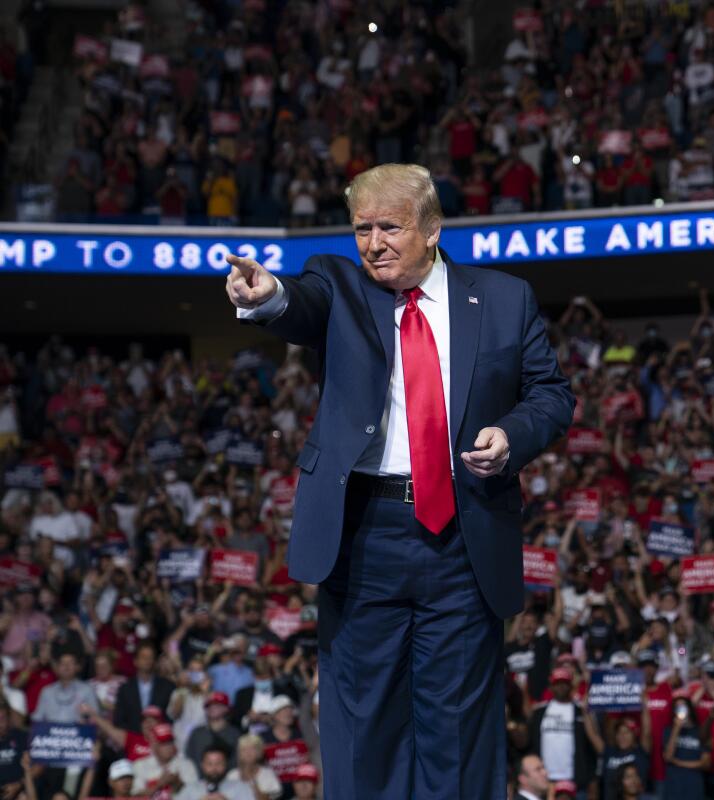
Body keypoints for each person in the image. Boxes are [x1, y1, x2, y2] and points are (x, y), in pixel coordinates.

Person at [224, 162, 574, 798]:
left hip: (463, 536)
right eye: (362, 228)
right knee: (365, 727)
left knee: (460, 731)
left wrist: (511, 436)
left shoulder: (502, 297)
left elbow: (551, 395)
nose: (373, 243)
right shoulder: (339, 285)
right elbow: (296, 303)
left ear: (433, 228)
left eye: (390, 227)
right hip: (364, 538)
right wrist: (266, 294)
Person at [174, 746, 255, 800]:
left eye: (219, 763)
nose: (214, 768)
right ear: (202, 765)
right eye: (209, 764)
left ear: (225, 765)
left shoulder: (240, 787)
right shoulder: (191, 789)